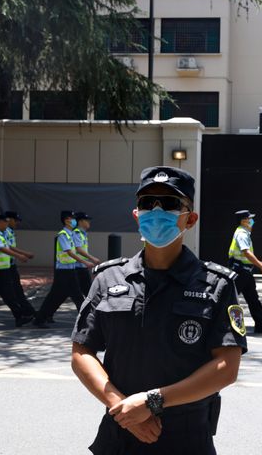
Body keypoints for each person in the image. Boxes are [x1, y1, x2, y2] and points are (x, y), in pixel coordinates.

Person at [71, 166, 247, 454]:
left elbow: (226, 368)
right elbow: (82, 353)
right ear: (136, 214)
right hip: (120, 433)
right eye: (146, 202)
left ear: (190, 219)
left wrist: (151, 402)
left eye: (169, 203)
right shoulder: (108, 278)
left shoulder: (217, 285)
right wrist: (123, 409)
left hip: (186, 438)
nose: (156, 209)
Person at [32, 210, 94, 328]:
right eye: (73, 218)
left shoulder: (70, 234)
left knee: (56, 296)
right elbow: (70, 252)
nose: (75, 221)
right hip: (64, 271)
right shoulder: (63, 235)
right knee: (77, 296)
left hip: (69, 270)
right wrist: (85, 261)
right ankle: (85, 322)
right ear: (66, 220)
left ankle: (40, 318)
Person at [227, 209, 262, 333]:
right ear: (243, 221)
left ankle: (261, 324)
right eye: (249, 218)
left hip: (245, 271)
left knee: (253, 298)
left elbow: (247, 255)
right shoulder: (242, 233)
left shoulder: (244, 233)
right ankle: (222, 323)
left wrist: (258, 262)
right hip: (240, 271)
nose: (251, 221)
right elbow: (246, 252)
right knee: (230, 298)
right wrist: (261, 267)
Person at [73, 211, 101, 297]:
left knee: (83, 292)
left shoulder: (82, 234)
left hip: (81, 266)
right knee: (87, 292)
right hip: (77, 267)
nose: (89, 222)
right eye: (86, 220)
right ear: (80, 221)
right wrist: (92, 258)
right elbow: (79, 249)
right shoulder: (76, 233)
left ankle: (88, 308)